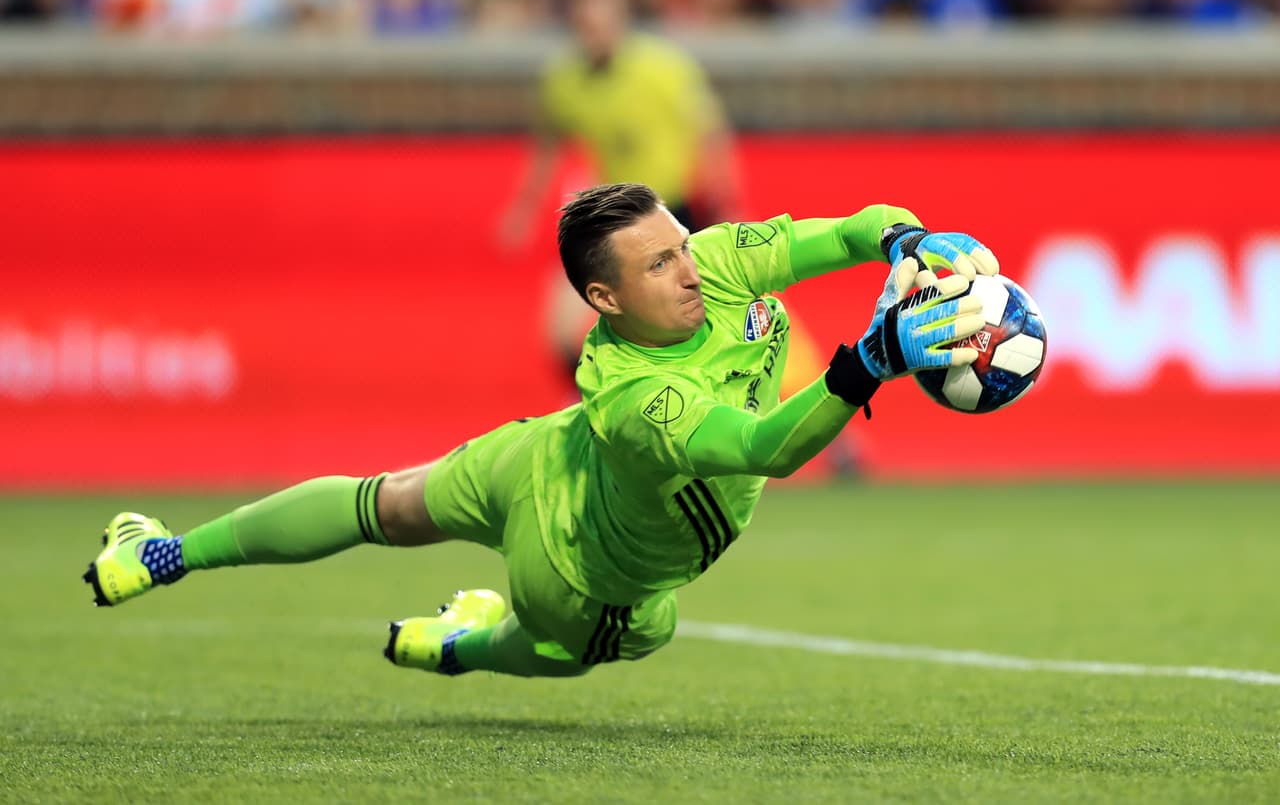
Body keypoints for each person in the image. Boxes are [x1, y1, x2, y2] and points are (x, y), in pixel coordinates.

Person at [84, 182, 998, 679]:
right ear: (603, 299)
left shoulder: (716, 264)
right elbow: (769, 451)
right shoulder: (634, 400)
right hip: (576, 570)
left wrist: (906, 243)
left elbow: (846, 231)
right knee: (631, 634)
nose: (689, 267)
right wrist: (869, 360)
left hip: (542, 451)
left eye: (682, 243)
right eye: (659, 263)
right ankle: (467, 641)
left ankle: (162, 551)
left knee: (388, 502)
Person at [498, 0, 741, 383]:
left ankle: (832, 429)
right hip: (614, 221)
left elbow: (710, 132)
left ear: (622, 18)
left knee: (733, 329)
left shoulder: (662, 68)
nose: (594, 28)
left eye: (603, 16)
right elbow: (548, 146)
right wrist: (523, 208)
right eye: (586, 19)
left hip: (673, 216)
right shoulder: (567, 81)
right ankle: (601, 417)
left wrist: (728, 201)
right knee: (560, 329)